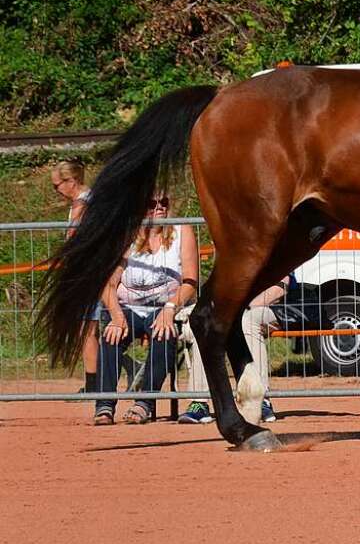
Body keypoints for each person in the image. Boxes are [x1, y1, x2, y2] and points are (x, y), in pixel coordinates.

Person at [93, 193, 199, 425]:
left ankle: (144, 403)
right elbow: (107, 283)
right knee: (111, 336)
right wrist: (117, 316)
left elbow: (190, 281)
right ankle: (104, 405)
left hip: (165, 306)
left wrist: (170, 308)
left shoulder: (182, 230)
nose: (159, 208)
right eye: (152, 204)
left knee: (164, 334)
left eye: (164, 203)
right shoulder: (127, 235)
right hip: (129, 307)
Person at [178, 273, 321, 425]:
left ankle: (261, 400)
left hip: (277, 307)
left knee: (248, 320)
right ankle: (199, 403)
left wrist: (244, 307)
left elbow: (280, 288)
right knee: (207, 326)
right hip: (238, 308)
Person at [51, 161, 101, 393]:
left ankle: (94, 383)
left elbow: (74, 239)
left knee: (88, 329)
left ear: (71, 181)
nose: (56, 190)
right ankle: (120, 370)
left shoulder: (82, 204)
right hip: (88, 272)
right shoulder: (88, 200)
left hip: (87, 274)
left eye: (57, 185)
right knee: (90, 329)